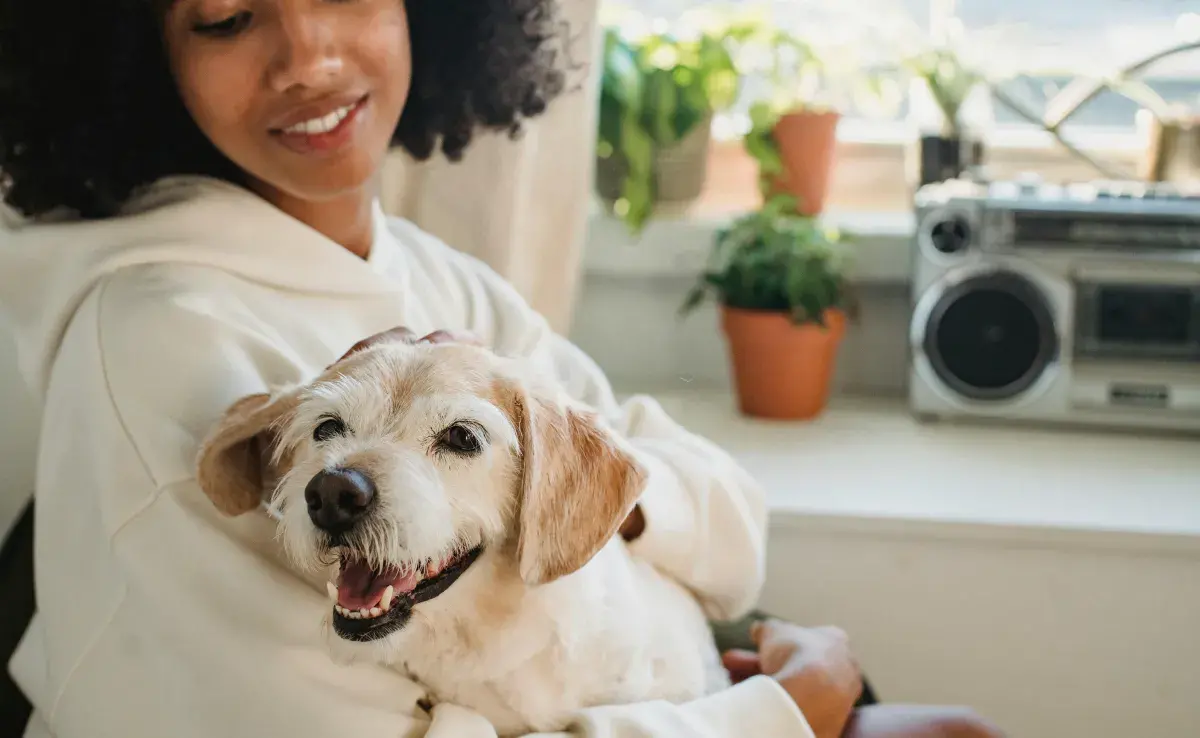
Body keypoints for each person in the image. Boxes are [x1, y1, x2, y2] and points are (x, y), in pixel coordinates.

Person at [0, 1, 1002, 736]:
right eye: (225, 16)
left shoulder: (444, 285)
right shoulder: (156, 345)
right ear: (141, 56)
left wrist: (565, 491)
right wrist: (782, 716)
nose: (308, 55)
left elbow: (727, 525)